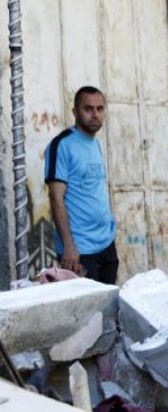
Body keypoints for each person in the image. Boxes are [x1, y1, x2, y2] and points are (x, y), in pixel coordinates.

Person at [44, 86, 118, 284]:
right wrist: (69, 247)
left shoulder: (95, 143)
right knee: (86, 313)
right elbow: (55, 197)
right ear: (75, 111)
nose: (95, 114)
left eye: (100, 109)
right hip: (80, 252)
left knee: (108, 311)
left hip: (106, 244)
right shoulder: (62, 145)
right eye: (88, 109)